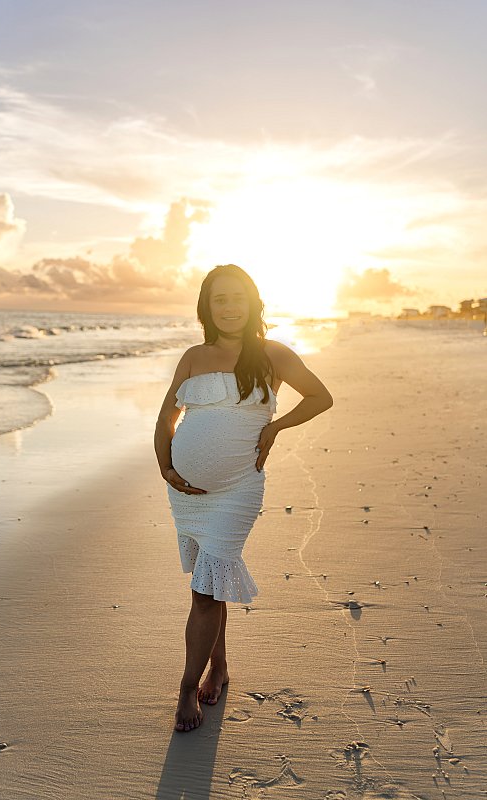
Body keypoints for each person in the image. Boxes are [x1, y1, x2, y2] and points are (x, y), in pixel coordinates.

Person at [154, 264, 333, 733]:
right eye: (219, 299)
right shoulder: (193, 355)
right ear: (206, 307)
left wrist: (275, 426)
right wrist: (166, 467)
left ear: (253, 302)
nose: (229, 307)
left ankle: (186, 688)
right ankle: (220, 667)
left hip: (238, 489)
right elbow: (166, 419)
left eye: (237, 297)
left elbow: (320, 396)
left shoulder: (272, 354)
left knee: (204, 590)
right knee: (210, 584)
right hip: (188, 494)